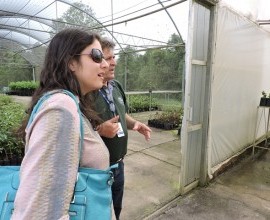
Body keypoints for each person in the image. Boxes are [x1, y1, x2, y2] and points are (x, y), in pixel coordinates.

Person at [12, 29, 115, 219]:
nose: (105, 64)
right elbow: (40, 211)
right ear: (71, 62)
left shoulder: (72, 104)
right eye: (97, 56)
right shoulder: (61, 107)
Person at [92, 37, 152, 220]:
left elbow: (121, 113)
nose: (113, 63)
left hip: (118, 164)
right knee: (98, 212)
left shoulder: (116, 87)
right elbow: (77, 128)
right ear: (98, 62)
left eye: (113, 57)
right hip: (96, 170)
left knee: (116, 207)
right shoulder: (87, 91)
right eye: (108, 58)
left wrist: (135, 124)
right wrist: (99, 129)